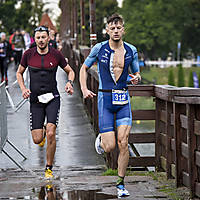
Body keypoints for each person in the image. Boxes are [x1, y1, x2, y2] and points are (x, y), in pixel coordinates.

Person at [79, 13, 141, 198]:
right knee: (110, 147)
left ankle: (121, 183)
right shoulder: (99, 48)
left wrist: (137, 78)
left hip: (123, 101)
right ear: (107, 30)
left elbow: (137, 73)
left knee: (124, 142)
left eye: (118, 27)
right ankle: (101, 140)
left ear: (123, 29)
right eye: (112, 28)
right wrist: (83, 89)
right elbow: (84, 68)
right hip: (105, 100)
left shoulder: (131, 50)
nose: (115, 31)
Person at [16, 26, 75, 179]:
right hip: (35, 100)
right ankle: (41, 129)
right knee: (37, 139)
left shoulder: (56, 54)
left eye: (43, 37)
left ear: (49, 38)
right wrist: (23, 88)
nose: (41, 40)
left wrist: (69, 83)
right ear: (34, 39)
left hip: (52, 98)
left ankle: (48, 168)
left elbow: (70, 71)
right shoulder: (28, 54)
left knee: (51, 133)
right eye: (38, 38)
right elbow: (19, 72)